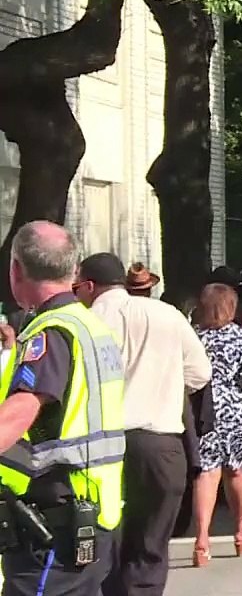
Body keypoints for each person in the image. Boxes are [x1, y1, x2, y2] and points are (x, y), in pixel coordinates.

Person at [0, 222, 125, 595]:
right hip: (93, 508)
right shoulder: (90, 326)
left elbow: (23, 407)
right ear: (73, 270)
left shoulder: (51, 332)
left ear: (16, 269)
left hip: (57, 519)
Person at [77, 253, 212, 596]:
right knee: (151, 545)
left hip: (104, 445)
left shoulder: (86, 320)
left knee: (106, 542)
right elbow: (200, 374)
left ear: (90, 285)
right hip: (162, 442)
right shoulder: (168, 315)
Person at [189, 283, 242, 565]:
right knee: (236, 472)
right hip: (236, 411)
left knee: (206, 474)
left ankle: (201, 542)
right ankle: (241, 533)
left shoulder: (195, 337)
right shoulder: (240, 337)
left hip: (204, 412)